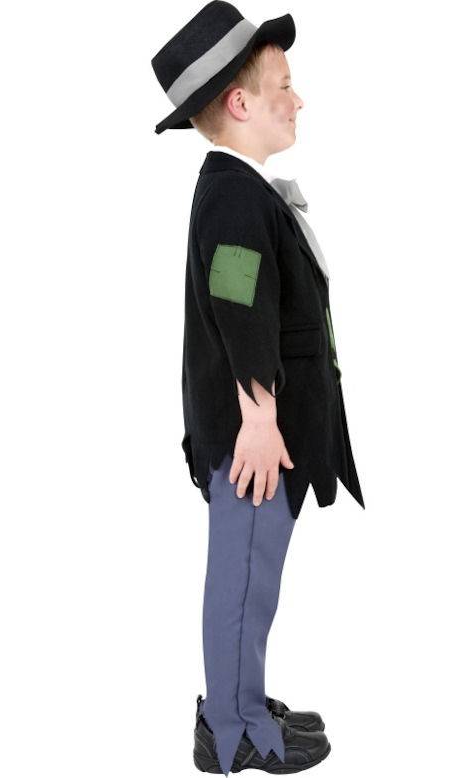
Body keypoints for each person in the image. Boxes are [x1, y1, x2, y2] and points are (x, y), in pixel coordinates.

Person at [151, 2, 365, 773]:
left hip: (260, 432)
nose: (298, 99)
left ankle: (238, 700)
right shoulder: (236, 196)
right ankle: (233, 729)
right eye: (284, 86)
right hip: (255, 441)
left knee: (253, 579)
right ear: (240, 104)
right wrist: (259, 421)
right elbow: (238, 309)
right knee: (243, 580)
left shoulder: (242, 189)